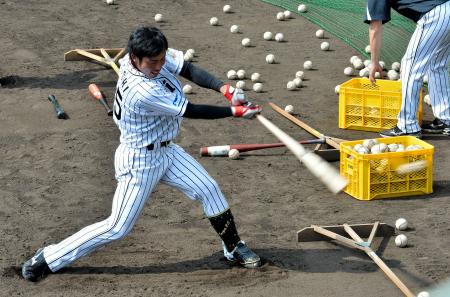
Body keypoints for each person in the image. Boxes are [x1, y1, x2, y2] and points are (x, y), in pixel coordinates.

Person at [22, 26, 263, 282]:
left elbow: (187, 69)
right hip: (140, 161)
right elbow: (191, 110)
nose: (160, 65)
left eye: (162, 59)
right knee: (117, 227)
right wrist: (234, 113)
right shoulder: (142, 91)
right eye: (153, 62)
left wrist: (224, 89)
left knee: (209, 189)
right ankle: (49, 257)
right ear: (135, 59)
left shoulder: (145, 56)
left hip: (167, 150)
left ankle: (234, 246)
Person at [365, 0, 450, 138]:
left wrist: (374, 62)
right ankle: (446, 119)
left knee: (410, 67)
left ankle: (407, 125)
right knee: (436, 64)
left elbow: (375, 27)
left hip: (435, 15)